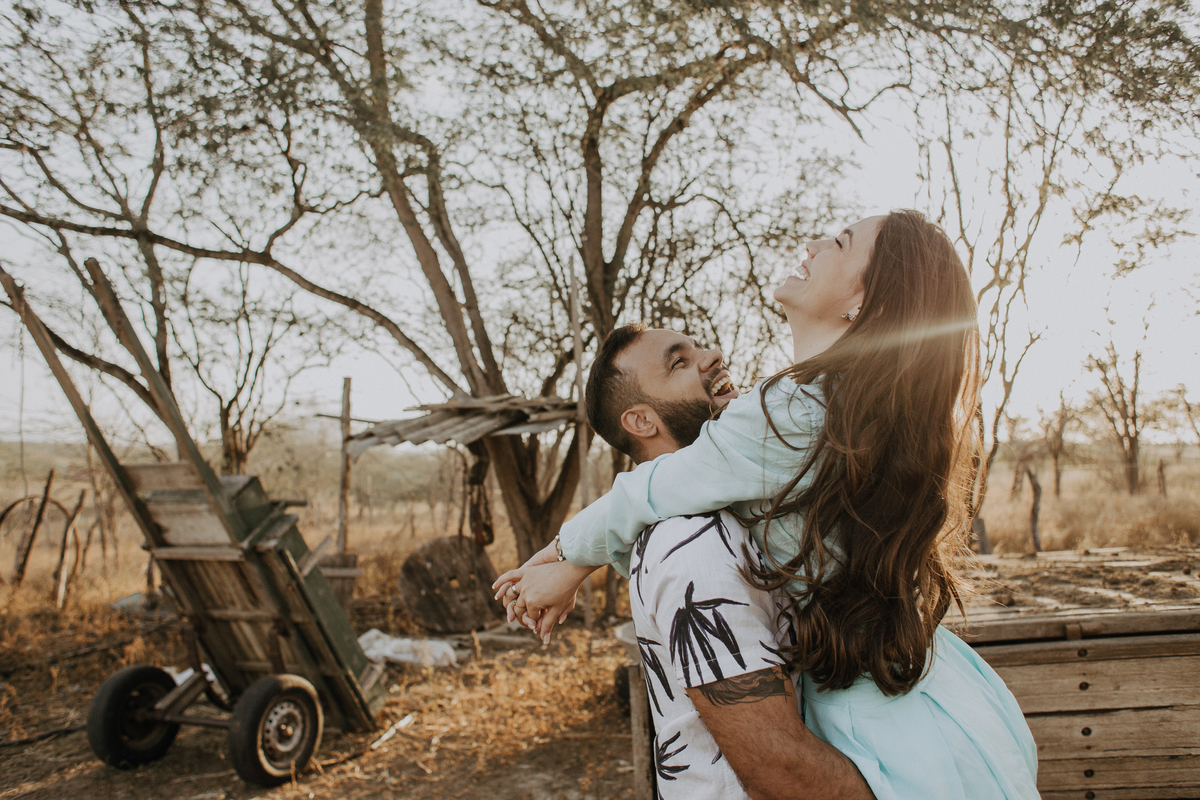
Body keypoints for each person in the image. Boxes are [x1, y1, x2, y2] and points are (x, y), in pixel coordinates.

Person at [495, 211, 1040, 799]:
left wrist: (562, 558)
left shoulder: (791, 416)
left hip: (885, 722)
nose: (812, 243)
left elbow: (648, 490)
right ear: (640, 419)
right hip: (927, 694)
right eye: (678, 361)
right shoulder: (847, 412)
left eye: (839, 243)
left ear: (866, 303)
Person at [573, 324, 877, 799]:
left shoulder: (723, 512)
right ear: (642, 421)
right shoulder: (691, 542)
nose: (712, 355)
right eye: (679, 361)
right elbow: (779, 768)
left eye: (697, 346)